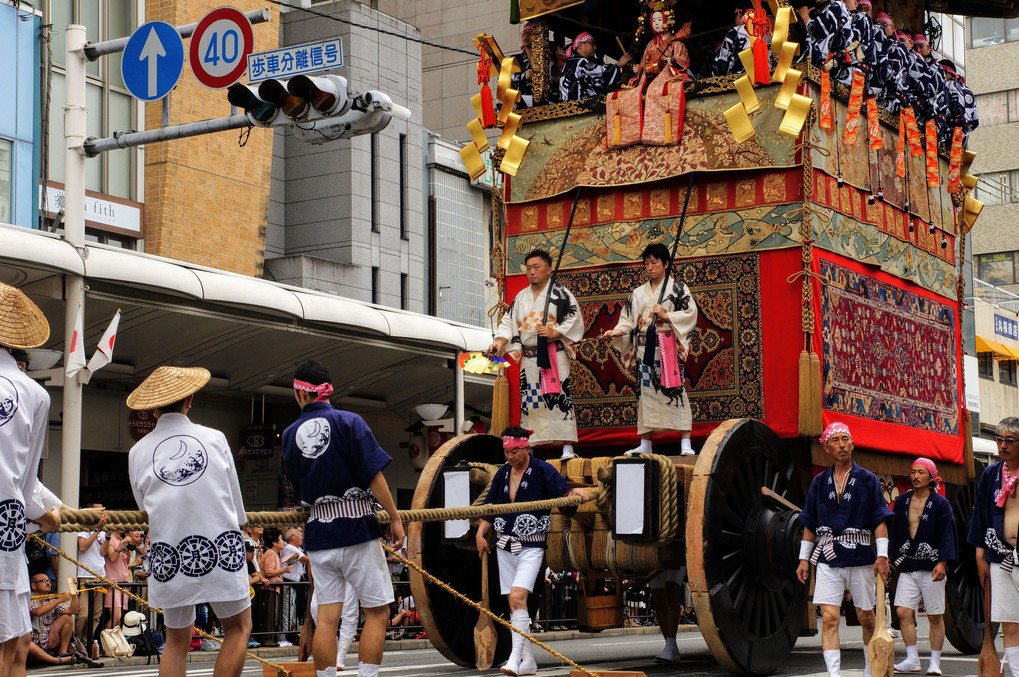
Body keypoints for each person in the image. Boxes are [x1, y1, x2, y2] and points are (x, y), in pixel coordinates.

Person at [126, 365, 252, 677]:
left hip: (168, 551)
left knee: (176, 641)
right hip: (219, 543)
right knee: (238, 627)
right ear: (190, 399)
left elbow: (144, 507)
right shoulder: (215, 438)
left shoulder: (138, 451)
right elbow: (236, 507)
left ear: (153, 407)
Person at [283, 359, 404, 677]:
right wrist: (394, 517)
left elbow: (300, 494)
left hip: (319, 535)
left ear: (300, 393)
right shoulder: (350, 422)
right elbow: (374, 476)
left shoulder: (289, 435)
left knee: (326, 617)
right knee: (377, 612)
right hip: (356, 530)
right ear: (327, 390)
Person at [475, 426, 592, 676]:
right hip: (505, 544)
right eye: (506, 451)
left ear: (527, 447)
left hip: (531, 545)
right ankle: (528, 662)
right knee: (515, 603)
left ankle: (514, 659)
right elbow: (491, 504)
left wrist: (576, 494)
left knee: (517, 598)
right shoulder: (502, 472)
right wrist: (479, 533)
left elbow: (564, 493)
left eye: (514, 451)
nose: (510, 456)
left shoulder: (542, 470)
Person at [796, 421, 893, 677]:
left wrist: (882, 555)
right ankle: (834, 674)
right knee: (829, 618)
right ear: (826, 448)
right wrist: (804, 559)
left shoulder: (867, 479)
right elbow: (809, 522)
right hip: (828, 557)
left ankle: (868, 667)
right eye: (835, 440)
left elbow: (879, 520)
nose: (841, 445)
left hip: (860, 556)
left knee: (866, 617)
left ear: (852, 444)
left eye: (845, 439)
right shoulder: (819, 482)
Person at [0, 282, 60, 677]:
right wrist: (47, 516)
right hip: (5, 522)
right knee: (12, 647)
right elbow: (24, 478)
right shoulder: (34, 394)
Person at [489, 250, 585, 461]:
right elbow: (507, 323)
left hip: (553, 355)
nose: (531, 272)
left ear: (549, 270)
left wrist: (555, 332)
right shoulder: (521, 297)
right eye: (528, 268)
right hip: (529, 358)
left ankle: (567, 447)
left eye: (536, 267)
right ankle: (530, 447)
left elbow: (574, 318)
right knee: (531, 401)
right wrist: (500, 342)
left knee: (560, 398)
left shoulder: (561, 295)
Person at [603, 243, 699, 456]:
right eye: (646, 263)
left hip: (667, 345)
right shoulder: (638, 293)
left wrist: (667, 316)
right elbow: (627, 320)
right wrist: (617, 332)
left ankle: (685, 442)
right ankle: (646, 442)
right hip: (644, 347)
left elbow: (690, 314)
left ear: (666, 264)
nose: (650, 267)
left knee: (675, 389)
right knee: (644, 393)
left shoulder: (678, 289)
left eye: (654, 262)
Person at [889, 458, 957, 675]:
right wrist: (889, 557)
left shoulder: (940, 504)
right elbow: (895, 532)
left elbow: (948, 534)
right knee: (902, 611)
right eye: (913, 472)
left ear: (931, 477)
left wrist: (942, 562)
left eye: (920, 472)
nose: (915, 476)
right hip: (909, 565)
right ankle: (912, 659)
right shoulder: (902, 501)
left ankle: (935, 662)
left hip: (932, 566)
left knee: (935, 616)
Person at [967, 417, 1019, 677]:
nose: (1002, 445)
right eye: (999, 440)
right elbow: (981, 518)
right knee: (1009, 624)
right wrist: (980, 555)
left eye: (1009, 440)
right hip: (999, 556)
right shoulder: (990, 474)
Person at [559, 33, 631, 101]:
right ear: (580, 45)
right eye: (592, 44)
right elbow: (600, 73)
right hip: (578, 106)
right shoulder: (580, 61)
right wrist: (619, 64)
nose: (595, 47)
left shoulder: (571, 61)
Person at [74, 503, 107, 646]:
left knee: (96, 615)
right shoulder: (81, 528)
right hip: (84, 575)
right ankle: (75, 642)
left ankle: (85, 643)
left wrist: (109, 536)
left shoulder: (103, 531)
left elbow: (103, 552)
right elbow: (82, 547)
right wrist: (96, 531)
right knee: (83, 614)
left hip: (100, 574)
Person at [26, 575, 78, 666]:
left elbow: (72, 610)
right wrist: (60, 599)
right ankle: (57, 661)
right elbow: (37, 612)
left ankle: (62, 653)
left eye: (49, 581)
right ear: (34, 585)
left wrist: (74, 593)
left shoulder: (50, 599)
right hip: (32, 643)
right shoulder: (28, 598)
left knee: (68, 617)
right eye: (44, 581)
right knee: (28, 645)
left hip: (46, 642)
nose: (48, 583)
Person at [634, 10, 694, 82]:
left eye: (659, 20)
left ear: (667, 21)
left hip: (671, 79)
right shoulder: (650, 44)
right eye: (653, 21)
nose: (656, 23)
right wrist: (639, 68)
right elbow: (644, 64)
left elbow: (684, 61)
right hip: (653, 79)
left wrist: (674, 61)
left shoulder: (676, 44)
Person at [649, 568, 686, 662]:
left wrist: (646, 578)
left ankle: (671, 644)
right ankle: (670, 645)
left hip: (676, 560)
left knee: (671, 590)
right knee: (658, 599)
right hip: (654, 560)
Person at [282, 527, 309, 639]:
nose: (302, 537)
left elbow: (290, 561)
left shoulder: (293, 549)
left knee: (293, 610)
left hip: (294, 582)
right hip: (289, 581)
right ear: (292, 536)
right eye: (299, 535)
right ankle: (287, 635)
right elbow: (306, 559)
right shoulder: (289, 548)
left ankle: (292, 633)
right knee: (289, 610)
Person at [101, 531, 131, 629]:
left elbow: (126, 561)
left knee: (119, 619)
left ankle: (113, 643)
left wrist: (128, 550)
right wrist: (121, 545)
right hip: (113, 582)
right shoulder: (111, 538)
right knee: (116, 617)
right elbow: (112, 558)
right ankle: (105, 641)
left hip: (123, 581)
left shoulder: (120, 539)